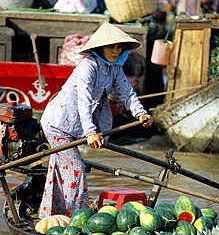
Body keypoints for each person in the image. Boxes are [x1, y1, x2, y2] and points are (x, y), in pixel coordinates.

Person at [39, 22, 153, 218]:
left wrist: (140, 113)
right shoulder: (88, 67)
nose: (116, 51)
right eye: (111, 47)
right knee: (76, 171)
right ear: (100, 48)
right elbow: (83, 101)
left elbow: (127, 93)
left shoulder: (114, 68)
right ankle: (77, 218)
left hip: (74, 125)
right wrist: (91, 132)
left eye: (119, 47)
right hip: (58, 124)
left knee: (61, 169)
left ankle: (54, 213)